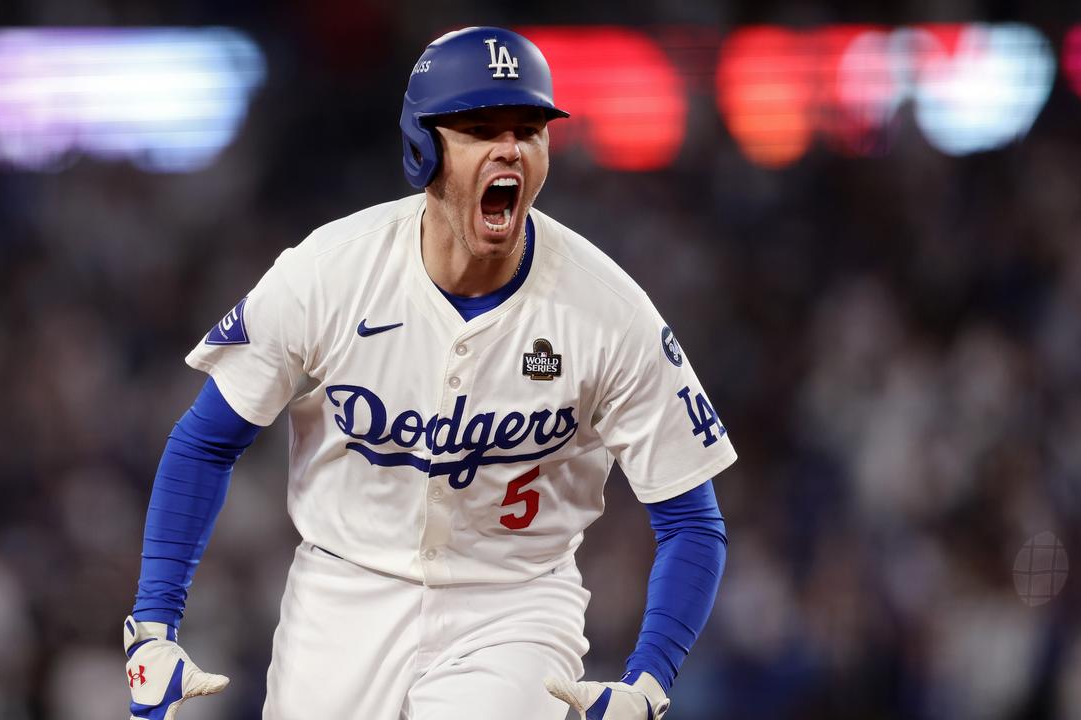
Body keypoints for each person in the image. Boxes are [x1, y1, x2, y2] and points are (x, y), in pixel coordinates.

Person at [123, 26, 736, 720]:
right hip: (340, 596)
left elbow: (692, 521)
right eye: (480, 128)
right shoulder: (328, 274)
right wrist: (153, 624)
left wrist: (650, 680)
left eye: (528, 129)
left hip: (516, 605)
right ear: (424, 149)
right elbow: (206, 440)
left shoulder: (610, 311)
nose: (510, 147)